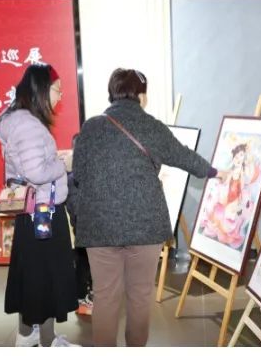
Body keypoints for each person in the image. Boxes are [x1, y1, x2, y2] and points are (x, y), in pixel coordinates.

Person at [71, 69, 215, 347]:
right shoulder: (152, 126)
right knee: (139, 296)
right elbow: (183, 156)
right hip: (145, 226)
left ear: (112, 93)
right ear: (141, 96)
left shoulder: (91, 127)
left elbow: (78, 174)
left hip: (100, 227)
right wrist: (212, 171)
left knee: (105, 297)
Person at [0, 64, 78, 347]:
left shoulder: (18, 120)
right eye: (57, 90)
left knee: (32, 274)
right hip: (44, 211)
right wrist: (63, 164)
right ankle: (48, 341)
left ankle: (27, 335)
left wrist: (53, 161)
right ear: (41, 89)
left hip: (32, 212)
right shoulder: (28, 125)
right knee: (46, 276)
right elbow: (37, 172)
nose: (60, 96)